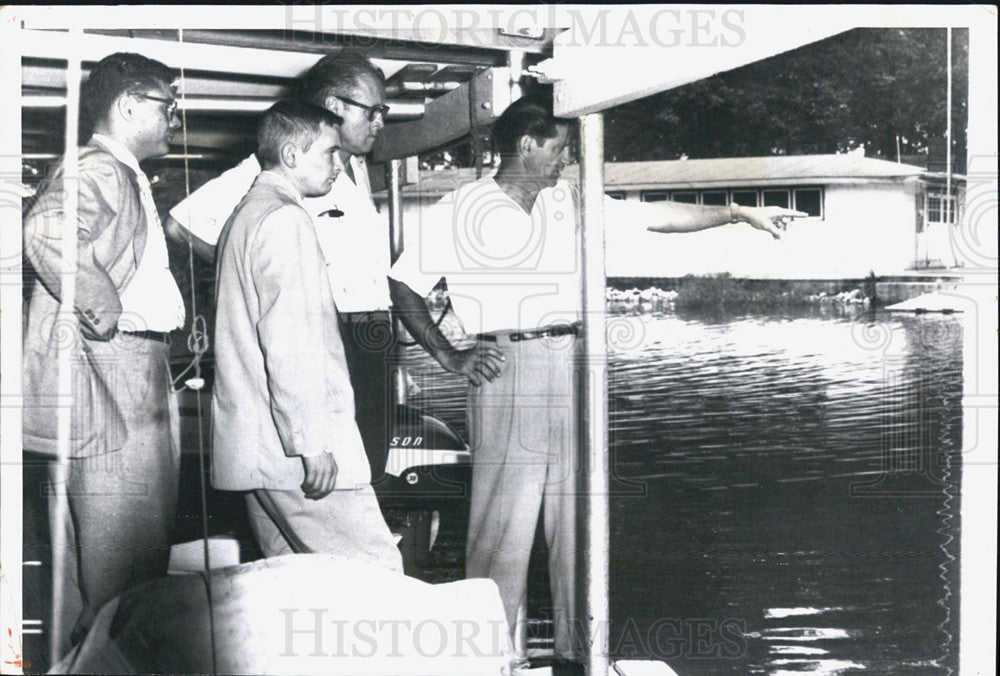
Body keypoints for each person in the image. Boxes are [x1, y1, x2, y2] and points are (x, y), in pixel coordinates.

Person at [388, 93, 805, 665]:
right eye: (558, 148)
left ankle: (576, 655)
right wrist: (448, 356)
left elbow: (656, 215)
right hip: (505, 368)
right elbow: (403, 285)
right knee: (499, 528)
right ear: (527, 145)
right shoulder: (461, 208)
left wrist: (737, 212)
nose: (565, 160)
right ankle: (485, 658)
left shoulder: (573, 200)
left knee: (580, 521)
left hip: (576, 363)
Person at [166, 51, 396, 484]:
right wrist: (247, 277)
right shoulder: (278, 166)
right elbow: (181, 225)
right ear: (334, 106)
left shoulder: (353, 167)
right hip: (336, 334)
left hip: (373, 338)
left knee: (368, 472)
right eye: (374, 110)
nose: (380, 121)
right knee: (332, 483)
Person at [22, 52, 186, 652]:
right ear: (128, 106)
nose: (175, 118)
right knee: (128, 570)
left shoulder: (115, 171)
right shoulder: (100, 167)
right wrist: (101, 307)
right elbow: (44, 230)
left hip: (122, 365)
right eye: (168, 106)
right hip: (119, 367)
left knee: (93, 566)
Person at [211, 99, 402, 572]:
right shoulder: (284, 220)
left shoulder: (246, 216)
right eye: (329, 153)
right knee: (376, 576)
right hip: (297, 454)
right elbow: (290, 343)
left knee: (294, 588)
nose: (338, 166)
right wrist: (312, 443)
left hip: (258, 451)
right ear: (292, 156)